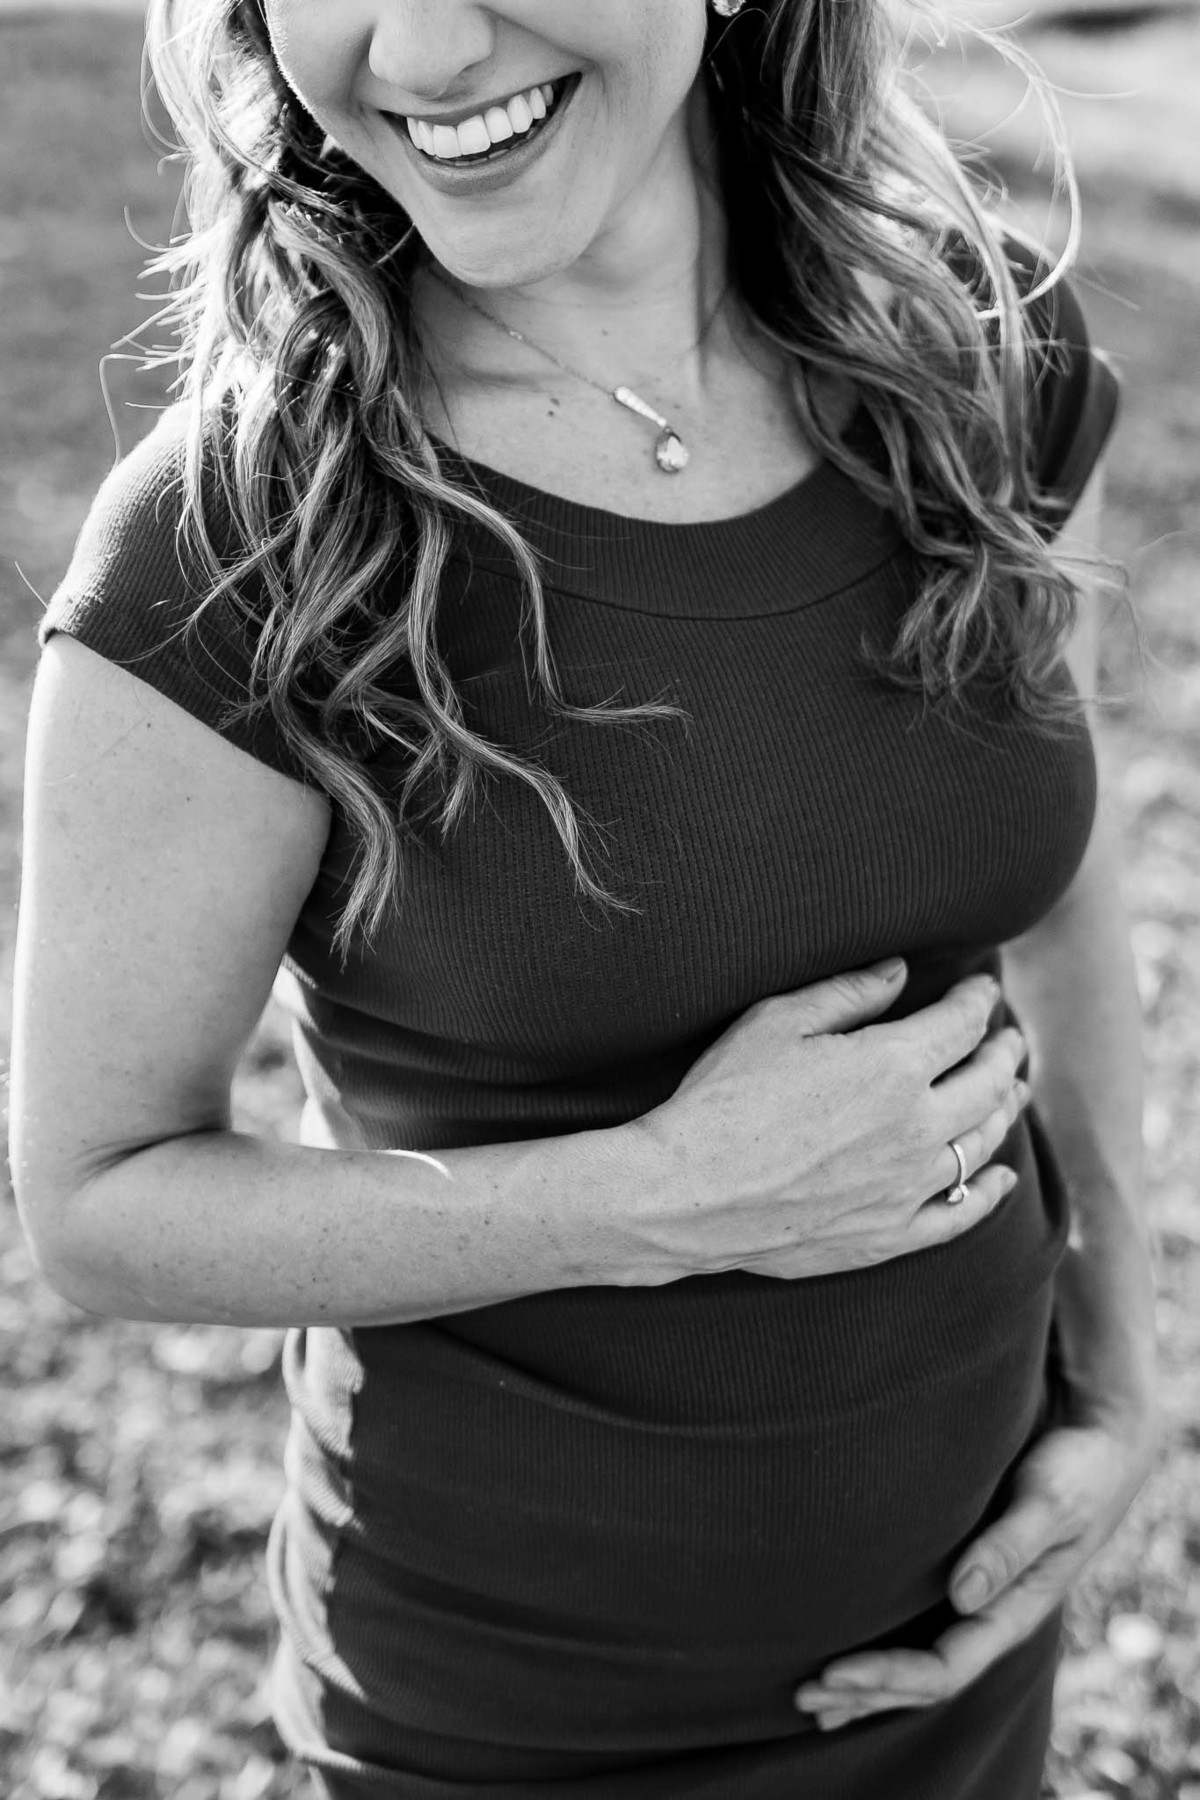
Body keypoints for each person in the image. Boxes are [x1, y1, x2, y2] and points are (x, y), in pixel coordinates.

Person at [9, 0, 1160, 1795]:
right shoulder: (240, 542)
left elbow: (1056, 875)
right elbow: (100, 1203)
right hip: (518, 1721)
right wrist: (651, 1200)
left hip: (969, 1647)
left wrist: (1120, 1360)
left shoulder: (972, 341)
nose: (422, 51)